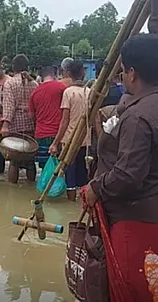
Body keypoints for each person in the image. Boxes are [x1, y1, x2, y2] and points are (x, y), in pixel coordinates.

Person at [81, 3, 158, 302]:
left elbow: (128, 176)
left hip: (138, 225)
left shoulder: (138, 118)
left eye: (123, 70)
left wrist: (94, 189)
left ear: (132, 73)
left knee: (128, 299)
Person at [49, 61, 90, 202]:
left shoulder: (69, 92)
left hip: (70, 141)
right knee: (83, 175)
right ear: (83, 73)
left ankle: (71, 202)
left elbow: (64, 121)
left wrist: (55, 143)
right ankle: (82, 205)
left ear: (68, 74)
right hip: (86, 141)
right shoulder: (90, 92)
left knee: (70, 176)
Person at [1, 54, 39, 184]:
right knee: (30, 159)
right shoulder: (34, 84)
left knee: (14, 161)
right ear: (27, 67)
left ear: (13, 67)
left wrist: (5, 126)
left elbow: (9, 106)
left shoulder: (10, 83)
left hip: (15, 126)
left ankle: (12, 191)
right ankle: (30, 187)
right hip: (31, 125)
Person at [28, 66, 67, 169]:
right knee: (59, 167)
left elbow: (32, 116)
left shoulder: (35, 93)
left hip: (40, 135)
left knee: (45, 168)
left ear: (41, 77)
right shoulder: (61, 88)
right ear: (54, 75)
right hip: (58, 134)